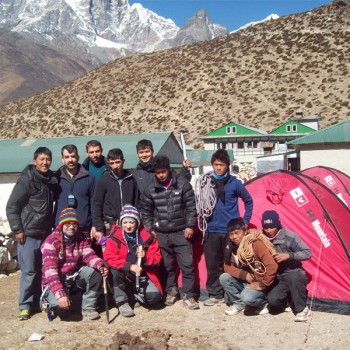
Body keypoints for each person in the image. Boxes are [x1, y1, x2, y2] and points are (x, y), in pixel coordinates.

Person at [140, 155, 200, 310]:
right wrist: (151, 228)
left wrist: (189, 226)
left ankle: (188, 295)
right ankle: (171, 291)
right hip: (161, 233)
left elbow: (191, 207)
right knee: (167, 266)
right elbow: (145, 211)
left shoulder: (182, 184)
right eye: (158, 172)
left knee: (187, 265)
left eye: (163, 172)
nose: (161, 175)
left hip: (181, 232)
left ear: (169, 170)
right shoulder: (150, 189)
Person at [6, 147, 58, 320]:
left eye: (48, 159)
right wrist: (17, 230)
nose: (45, 162)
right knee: (29, 271)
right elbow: (12, 207)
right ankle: (25, 305)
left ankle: (38, 301)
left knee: (42, 269)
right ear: (34, 160)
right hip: (28, 234)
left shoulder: (50, 180)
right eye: (41, 159)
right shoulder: (26, 180)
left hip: (45, 234)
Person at [202, 149, 253, 306]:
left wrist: (244, 222)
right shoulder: (206, 183)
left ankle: (230, 293)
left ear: (227, 166)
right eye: (216, 165)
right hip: (210, 229)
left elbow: (249, 201)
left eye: (222, 165)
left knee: (229, 263)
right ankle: (215, 294)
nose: (218, 168)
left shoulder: (235, 183)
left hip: (229, 232)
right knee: (212, 264)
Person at [40, 208, 109, 321]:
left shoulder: (81, 238)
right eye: (67, 224)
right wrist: (60, 294)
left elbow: (89, 255)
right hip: (55, 280)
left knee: (95, 273)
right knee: (61, 308)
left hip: (73, 276)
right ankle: (52, 302)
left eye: (74, 224)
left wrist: (100, 264)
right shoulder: (51, 242)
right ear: (61, 225)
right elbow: (50, 272)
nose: (71, 227)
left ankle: (88, 307)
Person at [104, 205, 163, 317]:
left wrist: (145, 256)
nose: (128, 226)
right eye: (125, 222)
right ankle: (122, 302)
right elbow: (109, 257)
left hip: (141, 276)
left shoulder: (147, 236)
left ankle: (131, 296)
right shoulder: (114, 237)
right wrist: (129, 266)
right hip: (123, 274)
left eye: (131, 222)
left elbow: (157, 257)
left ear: (137, 222)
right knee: (115, 271)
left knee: (154, 297)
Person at [261, 210, 312, 322]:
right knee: (273, 300)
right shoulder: (261, 237)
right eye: (266, 228)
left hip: (293, 271)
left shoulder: (291, 236)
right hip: (277, 275)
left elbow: (308, 253)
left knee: (295, 277)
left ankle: (302, 309)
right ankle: (287, 303)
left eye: (272, 227)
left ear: (278, 225)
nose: (269, 231)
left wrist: (289, 255)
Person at [219, 218, 278, 316]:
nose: (234, 237)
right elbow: (227, 266)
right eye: (231, 234)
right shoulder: (231, 247)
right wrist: (245, 275)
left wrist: (262, 284)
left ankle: (263, 303)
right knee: (224, 277)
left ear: (245, 231)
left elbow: (272, 266)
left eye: (237, 233)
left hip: (262, 282)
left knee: (247, 297)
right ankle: (239, 304)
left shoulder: (256, 244)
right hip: (248, 280)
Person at [93, 148, 139, 244]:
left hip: (129, 224)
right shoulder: (103, 180)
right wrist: (99, 228)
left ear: (123, 161)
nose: (115, 166)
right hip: (110, 225)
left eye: (117, 162)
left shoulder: (131, 179)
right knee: (111, 256)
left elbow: (137, 202)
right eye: (111, 163)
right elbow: (97, 205)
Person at [55, 144, 95, 239]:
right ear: (62, 159)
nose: (70, 160)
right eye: (67, 157)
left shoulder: (89, 177)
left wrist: (95, 225)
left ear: (78, 157)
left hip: (83, 227)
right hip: (62, 227)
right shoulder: (56, 178)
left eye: (73, 156)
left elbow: (94, 203)